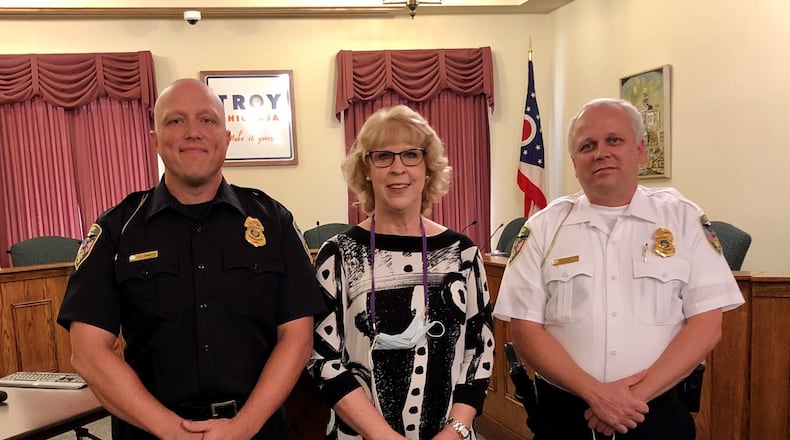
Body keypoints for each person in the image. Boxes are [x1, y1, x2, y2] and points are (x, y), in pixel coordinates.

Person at [57, 78, 325, 440]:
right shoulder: (117, 229)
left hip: (256, 429)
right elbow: (88, 352)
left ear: (227, 139)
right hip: (148, 431)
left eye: (207, 120)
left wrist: (244, 425)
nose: (192, 132)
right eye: (175, 121)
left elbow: (297, 337)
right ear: (154, 139)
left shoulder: (273, 221)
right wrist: (170, 430)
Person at [493, 98, 744, 440]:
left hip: (656, 416)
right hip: (565, 418)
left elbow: (707, 324)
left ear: (640, 151)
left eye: (614, 140)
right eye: (587, 145)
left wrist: (628, 401)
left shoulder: (683, 219)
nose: (601, 152)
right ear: (574, 162)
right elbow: (525, 329)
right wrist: (597, 394)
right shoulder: (543, 228)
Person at [307, 105, 494, 440]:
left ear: (427, 167)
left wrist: (455, 431)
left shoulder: (462, 253)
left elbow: (480, 351)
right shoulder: (337, 254)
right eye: (383, 157)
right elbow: (321, 358)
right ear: (366, 168)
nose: (398, 168)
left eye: (410, 155)